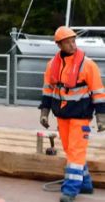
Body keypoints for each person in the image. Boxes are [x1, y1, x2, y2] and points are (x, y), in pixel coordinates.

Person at [40, 26, 105, 201]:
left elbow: (98, 92)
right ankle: (85, 184)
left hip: (81, 116)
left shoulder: (88, 65)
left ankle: (70, 190)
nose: (72, 45)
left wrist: (101, 117)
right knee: (71, 150)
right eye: (68, 42)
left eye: (73, 41)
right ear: (59, 45)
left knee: (76, 151)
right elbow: (47, 90)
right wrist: (44, 112)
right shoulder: (52, 65)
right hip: (62, 115)